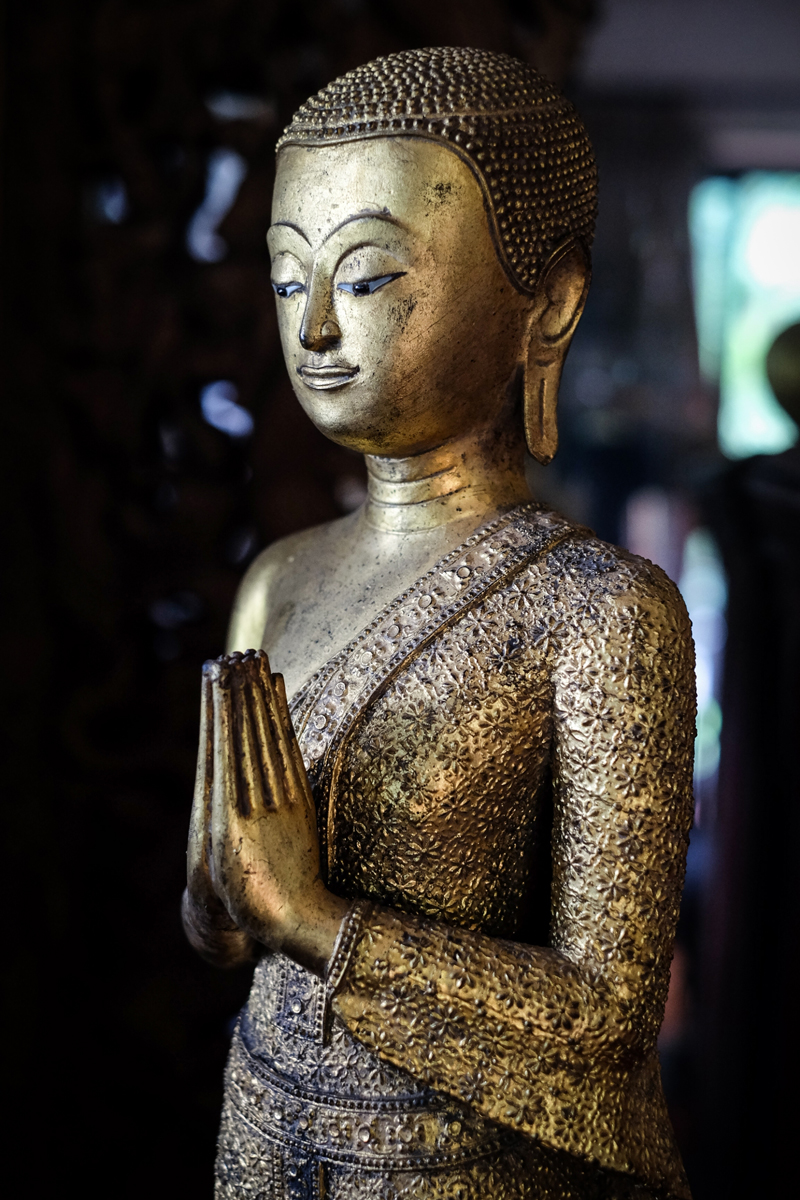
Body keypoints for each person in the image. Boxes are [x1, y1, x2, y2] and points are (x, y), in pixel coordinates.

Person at [182, 48, 695, 1199]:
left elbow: (604, 1019)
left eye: (364, 279)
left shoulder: (602, 613)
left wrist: (316, 920)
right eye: (284, 280)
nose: (313, 329)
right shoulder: (278, 578)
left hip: (462, 1164)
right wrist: (218, 895)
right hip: (259, 1122)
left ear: (547, 302)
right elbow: (224, 928)